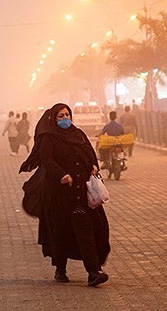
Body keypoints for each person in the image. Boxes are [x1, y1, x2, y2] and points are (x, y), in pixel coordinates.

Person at [19, 103, 111, 286]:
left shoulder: (78, 134)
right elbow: (47, 159)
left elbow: (89, 152)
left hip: (81, 194)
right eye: (60, 116)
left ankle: (94, 272)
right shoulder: (48, 138)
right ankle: (60, 269)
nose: (64, 119)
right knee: (61, 232)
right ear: (54, 118)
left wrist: (94, 165)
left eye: (67, 115)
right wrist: (61, 174)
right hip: (59, 195)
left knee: (87, 231)